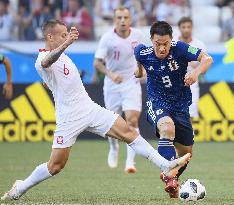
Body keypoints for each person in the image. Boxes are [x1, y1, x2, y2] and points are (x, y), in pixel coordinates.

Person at [1, 19, 190, 201]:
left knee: (128, 132)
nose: (67, 37)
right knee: (56, 166)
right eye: (63, 35)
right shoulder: (42, 57)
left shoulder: (62, 56)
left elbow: (54, 75)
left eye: (67, 34)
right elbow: (46, 63)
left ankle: (165, 166)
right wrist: (66, 44)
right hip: (69, 117)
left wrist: (51, 78)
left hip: (90, 108)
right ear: (50, 37)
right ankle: (20, 188)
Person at [134, 21, 213, 198]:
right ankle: (169, 175)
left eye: (166, 44)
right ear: (151, 40)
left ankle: (172, 177)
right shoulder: (142, 51)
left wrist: (195, 73)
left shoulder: (181, 48)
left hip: (181, 106)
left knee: (186, 155)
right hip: (157, 102)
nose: (162, 48)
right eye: (158, 44)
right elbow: (138, 58)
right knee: (167, 128)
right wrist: (139, 71)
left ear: (171, 40)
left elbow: (207, 59)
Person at [93, 6, 144, 173]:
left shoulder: (138, 36)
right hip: (112, 84)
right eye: (119, 17)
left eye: (125, 17)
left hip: (131, 82)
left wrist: (142, 72)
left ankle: (130, 162)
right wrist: (110, 73)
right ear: (115, 20)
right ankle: (114, 148)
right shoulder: (107, 38)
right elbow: (97, 63)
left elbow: (144, 57)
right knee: (112, 125)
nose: (122, 20)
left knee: (132, 120)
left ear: (130, 20)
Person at [175, 17, 206, 119]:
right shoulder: (173, 43)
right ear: (179, 28)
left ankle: (188, 135)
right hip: (174, 83)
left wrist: (194, 65)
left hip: (191, 84)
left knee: (189, 116)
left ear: (192, 28)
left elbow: (205, 67)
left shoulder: (199, 45)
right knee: (174, 116)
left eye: (189, 27)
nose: (186, 29)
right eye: (183, 27)